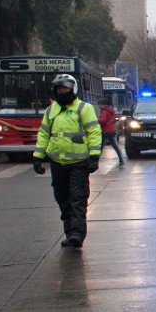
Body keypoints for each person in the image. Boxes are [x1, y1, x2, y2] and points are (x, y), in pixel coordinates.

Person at [32, 74, 102, 248]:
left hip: (79, 163)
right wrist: (38, 157)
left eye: (65, 89)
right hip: (58, 164)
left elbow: (94, 132)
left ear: (73, 90)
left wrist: (94, 157)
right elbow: (43, 134)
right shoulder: (51, 110)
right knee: (62, 199)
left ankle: (78, 234)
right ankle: (69, 232)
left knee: (78, 199)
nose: (62, 92)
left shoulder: (83, 108)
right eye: (59, 89)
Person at [98, 97, 125, 166]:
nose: (98, 106)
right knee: (116, 146)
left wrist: (97, 120)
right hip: (112, 131)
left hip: (105, 131)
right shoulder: (111, 110)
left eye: (99, 104)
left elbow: (102, 120)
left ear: (103, 105)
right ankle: (121, 160)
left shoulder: (104, 111)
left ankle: (95, 161)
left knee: (100, 147)